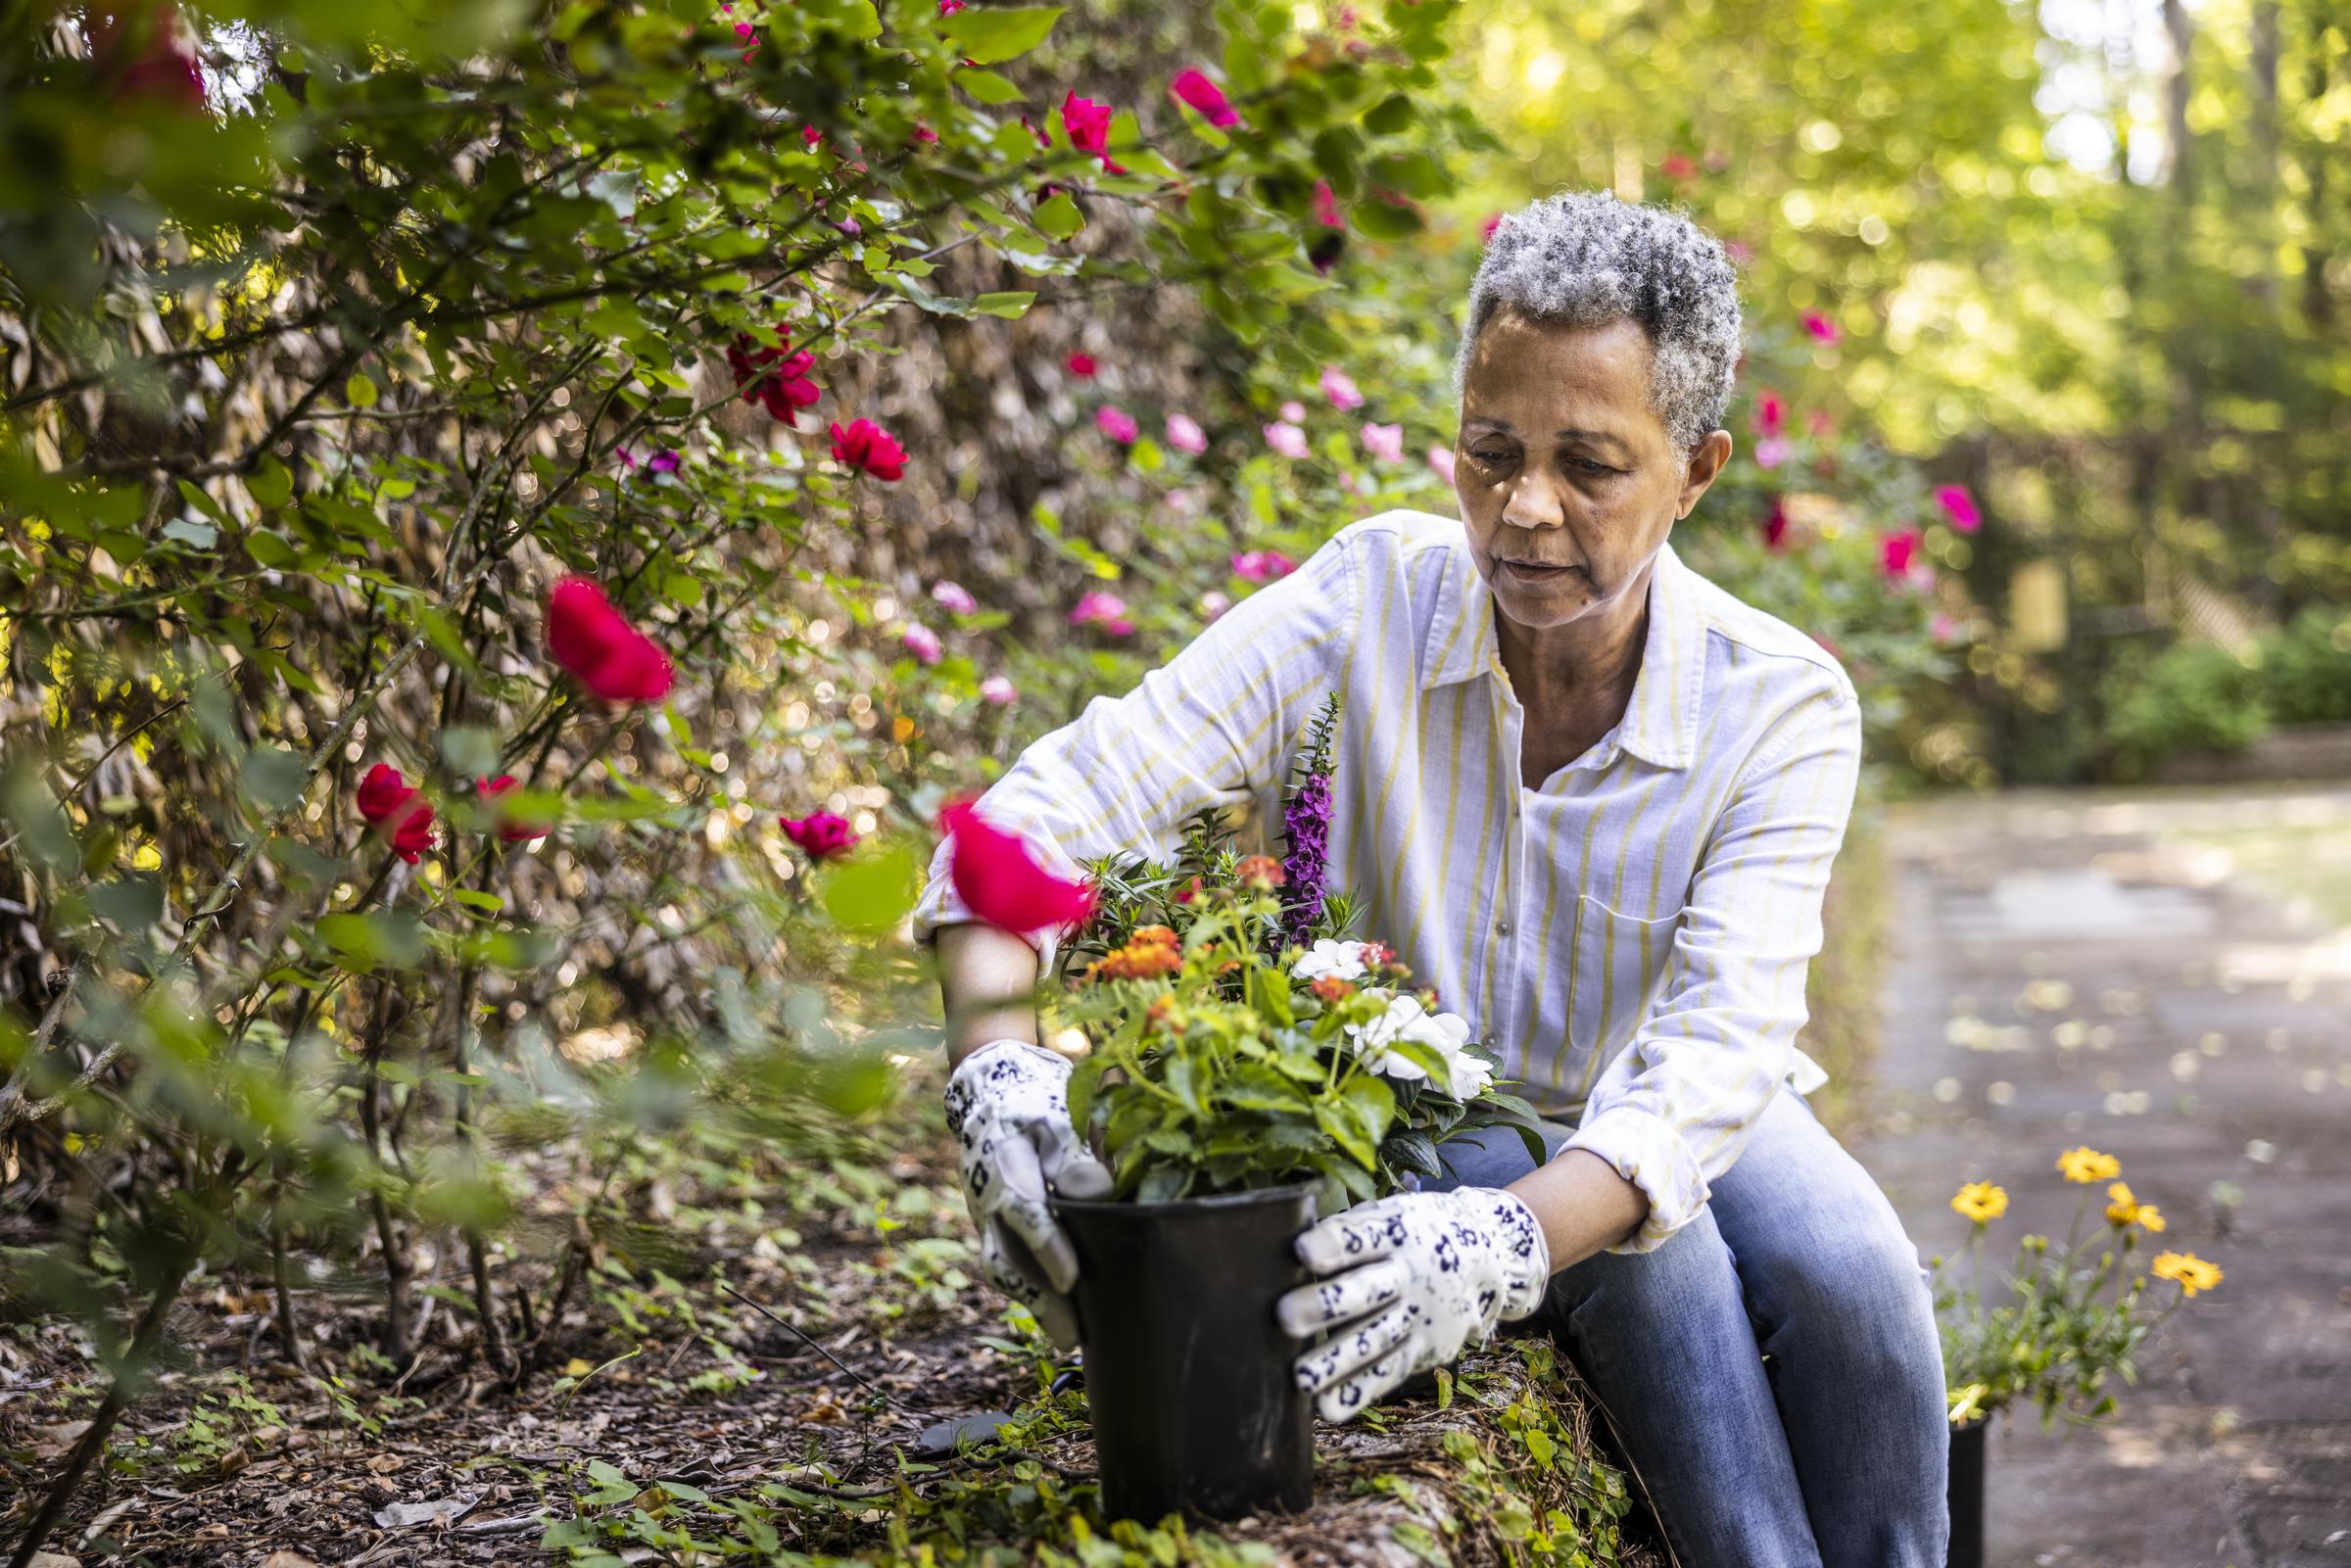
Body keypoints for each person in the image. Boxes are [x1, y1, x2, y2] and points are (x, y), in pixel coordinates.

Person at [917, 190, 1947, 1567]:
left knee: (1859, 1280)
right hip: (1431, 1108)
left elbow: (1709, 1065)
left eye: (1590, 464)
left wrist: (1505, 1242)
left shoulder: (1781, 706)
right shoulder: (1364, 603)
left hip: (1669, 1097)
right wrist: (996, 1059)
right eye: (1489, 450)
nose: (1524, 509)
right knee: (1657, 1265)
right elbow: (1038, 818)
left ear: (1695, 473)